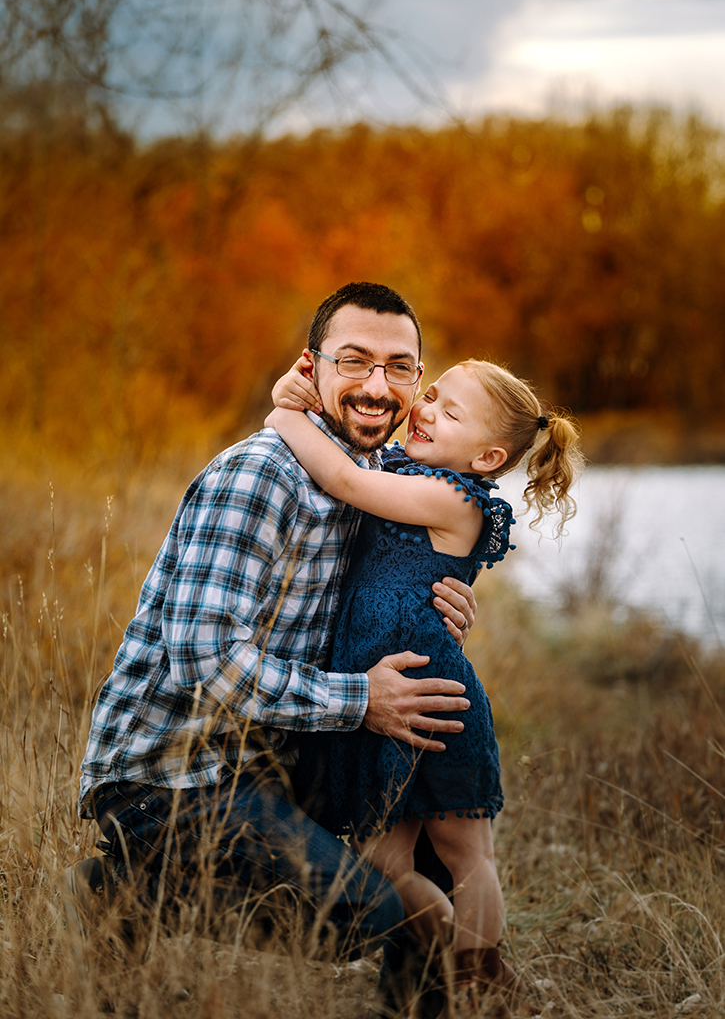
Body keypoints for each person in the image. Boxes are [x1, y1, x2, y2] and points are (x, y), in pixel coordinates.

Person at [71, 282, 478, 1014]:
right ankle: (126, 892)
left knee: (432, 871)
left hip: (278, 762)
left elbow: (397, 582)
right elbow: (204, 658)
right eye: (354, 361)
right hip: (172, 775)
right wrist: (363, 700)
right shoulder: (261, 476)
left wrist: (439, 600)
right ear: (311, 367)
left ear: (419, 380)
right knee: (367, 912)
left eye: (399, 367)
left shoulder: (376, 479)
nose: (377, 386)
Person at [266, 352, 582, 1002]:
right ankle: (443, 946)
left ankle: (480, 976)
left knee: (465, 853)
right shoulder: (410, 470)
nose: (426, 409)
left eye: (449, 411)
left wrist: (283, 413)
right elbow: (363, 469)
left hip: (436, 699)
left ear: (487, 458)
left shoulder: (453, 497)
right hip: (383, 698)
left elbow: (347, 482)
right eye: (430, 394)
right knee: (382, 861)